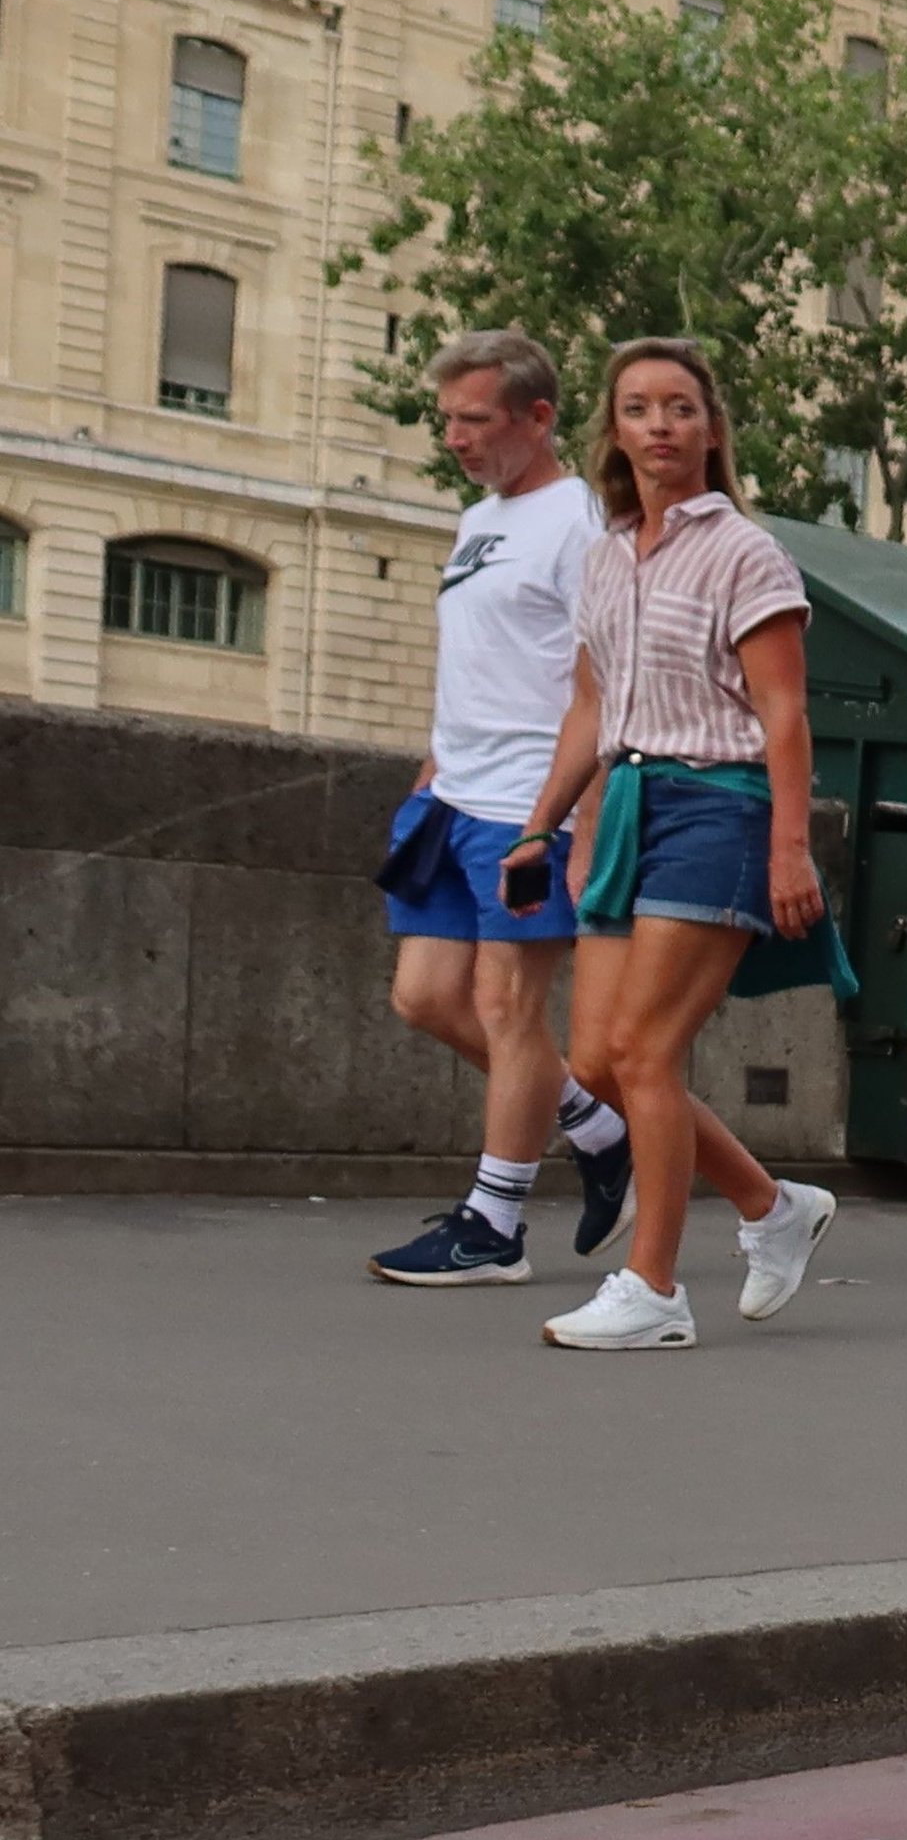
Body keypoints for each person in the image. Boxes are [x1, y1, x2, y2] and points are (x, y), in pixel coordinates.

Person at [504, 339, 839, 1352]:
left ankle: (652, 1287)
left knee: (649, 1049)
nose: (660, 424)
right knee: (602, 1061)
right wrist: (542, 824)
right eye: (640, 407)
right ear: (614, 429)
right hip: (632, 806)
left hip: (720, 804)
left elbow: (784, 712)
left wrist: (790, 848)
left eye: (680, 407)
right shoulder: (607, 558)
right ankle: (771, 1207)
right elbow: (589, 708)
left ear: (711, 429)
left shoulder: (743, 551)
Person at [368, 329, 631, 1284]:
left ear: (538, 418)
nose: (456, 437)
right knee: (426, 995)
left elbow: (607, 685)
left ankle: (495, 1227)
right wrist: (435, 761)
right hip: (454, 795)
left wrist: (578, 826)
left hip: (531, 802)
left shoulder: (581, 524)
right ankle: (598, 1129)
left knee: (507, 1007)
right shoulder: (478, 520)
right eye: (448, 420)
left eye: (474, 420)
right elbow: (482, 655)